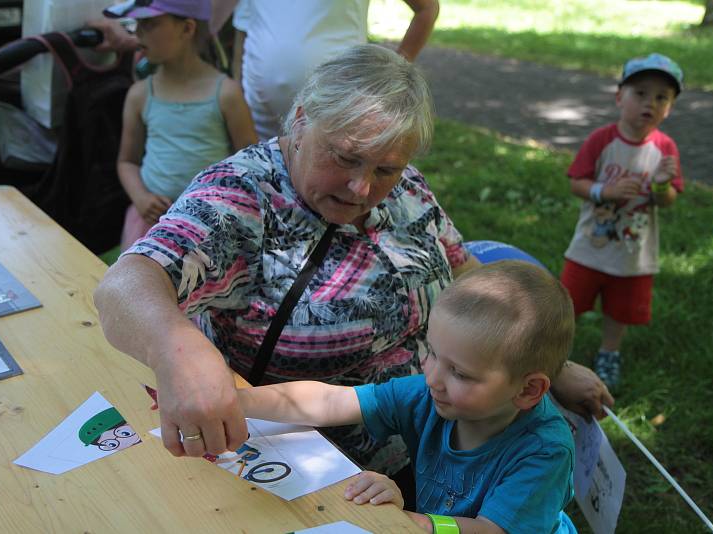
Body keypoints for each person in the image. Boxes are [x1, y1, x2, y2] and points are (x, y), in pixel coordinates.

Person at [93, 44, 611, 505]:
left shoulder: (408, 191)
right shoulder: (243, 199)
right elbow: (124, 284)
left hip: (437, 445)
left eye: (385, 168)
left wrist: (551, 365)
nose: (362, 188)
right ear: (298, 121)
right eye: (345, 158)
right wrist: (180, 353)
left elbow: (466, 271)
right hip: (314, 476)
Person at [237, 260, 576, 533]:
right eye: (430, 351)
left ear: (528, 390)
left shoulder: (544, 450)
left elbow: (492, 530)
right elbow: (330, 401)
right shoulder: (430, 395)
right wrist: (236, 402)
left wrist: (418, 523)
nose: (432, 377)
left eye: (459, 372)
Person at [560, 53, 685, 390]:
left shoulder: (665, 148)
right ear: (620, 98)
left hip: (634, 253)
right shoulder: (602, 140)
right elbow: (576, 182)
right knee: (568, 302)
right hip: (589, 247)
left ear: (669, 108)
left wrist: (660, 184)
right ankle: (556, 352)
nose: (650, 103)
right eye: (640, 93)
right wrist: (606, 190)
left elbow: (669, 199)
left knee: (620, 310)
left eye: (662, 97)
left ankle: (609, 353)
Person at [103, 0, 257, 249]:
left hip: (208, 226)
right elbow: (127, 161)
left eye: (150, 23)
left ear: (187, 28)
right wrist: (141, 198)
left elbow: (250, 166)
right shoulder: (140, 94)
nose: (139, 32)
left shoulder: (226, 94)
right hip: (152, 224)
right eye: (137, 24)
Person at [230, 0, 440, 140]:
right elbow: (245, 26)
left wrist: (395, 72)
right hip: (258, 117)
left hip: (341, 112)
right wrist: (237, 94)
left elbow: (426, 9)